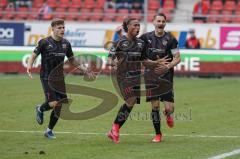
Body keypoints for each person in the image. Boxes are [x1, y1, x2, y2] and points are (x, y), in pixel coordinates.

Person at [27, 18, 94, 139]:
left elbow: (72, 60)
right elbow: (33, 55)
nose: (62, 30)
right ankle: (40, 108)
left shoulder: (66, 44)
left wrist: (84, 70)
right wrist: (29, 66)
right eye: (59, 28)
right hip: (47, 77)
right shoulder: (44, 42)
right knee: (53, 103)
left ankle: (48, 131)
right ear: (53, 29)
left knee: (62, 105)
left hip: (59, 78)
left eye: (63, 27)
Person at [140, 13, 181, 142]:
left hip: (166, 77)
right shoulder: (145, 38)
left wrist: (167, 67)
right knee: (155, 106)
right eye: (158, 21)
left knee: (169, 108)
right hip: (150, 76)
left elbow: (178, 58)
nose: (161, 23)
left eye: (163, 21)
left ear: (165, 23)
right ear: (153, 22)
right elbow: (136, 52)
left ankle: (168, 115)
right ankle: (158, 134)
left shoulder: (171, 39)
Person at [106, 18, 146, 144]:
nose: (138, 27)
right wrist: (114, 63)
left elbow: (144, 59)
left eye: (139, 25)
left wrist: (150, 65)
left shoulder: (141, 43)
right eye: (135, 25)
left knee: (131, 104)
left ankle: (114, 129)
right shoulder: (118, 43)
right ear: (128, 26)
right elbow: (109, 60)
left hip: (136, 77)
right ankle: (115, 128)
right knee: (131, 100)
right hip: (123, 76)